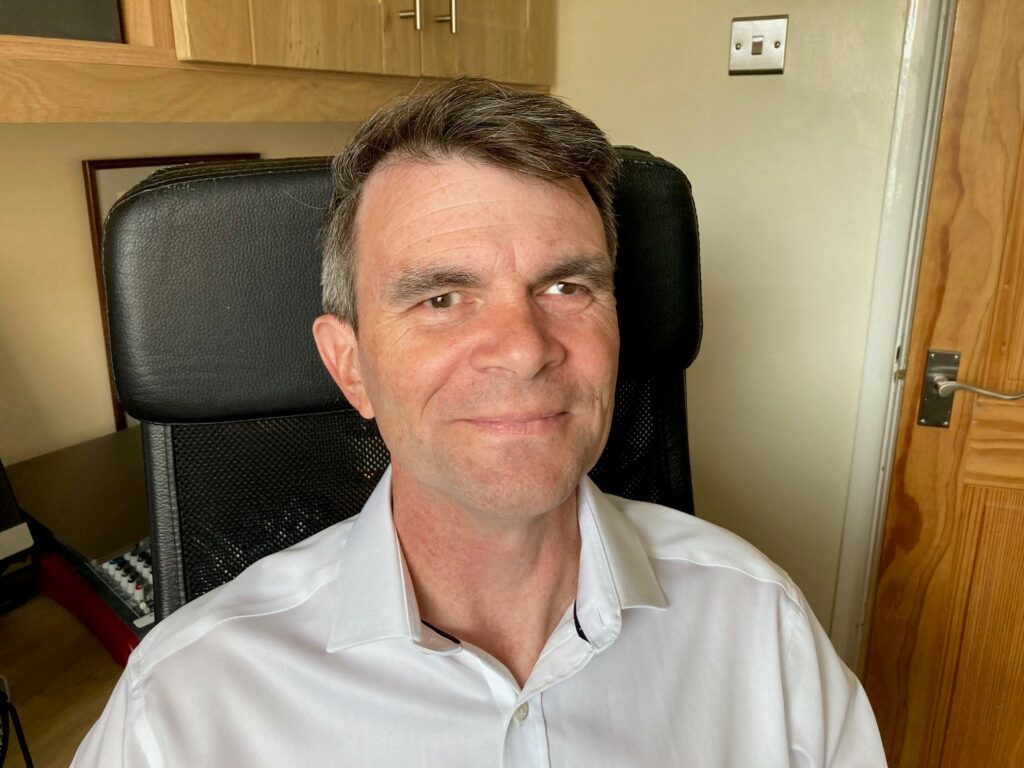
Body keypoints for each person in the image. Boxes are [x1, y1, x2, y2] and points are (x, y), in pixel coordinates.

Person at [73, 78, 885, 767]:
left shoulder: (758, 623)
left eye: (566, 287)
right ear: (350, 367)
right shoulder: (185, 707)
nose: (525, 349)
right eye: (442, 298)